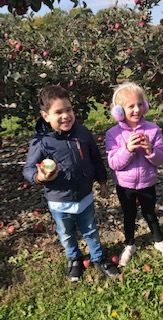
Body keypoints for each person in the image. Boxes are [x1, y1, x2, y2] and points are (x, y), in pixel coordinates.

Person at [23, 84, 119, 281]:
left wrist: (102, 182)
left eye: (68, 109)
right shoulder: (41, 142)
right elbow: (28, 169)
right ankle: (74, 258)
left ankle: (98, 257)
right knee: (66, 234)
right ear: (46, 116)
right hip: (59, 200)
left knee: (90, 229)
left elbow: (95, 159)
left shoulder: (83, 133)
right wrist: (39, 177)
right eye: (58, 112)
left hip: (84, 196)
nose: (66, 115)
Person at [105, 82, 163, 267]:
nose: (137, 109)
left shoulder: (153, 130)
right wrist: (127, 149)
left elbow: (161, 159)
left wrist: (150, 150)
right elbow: (113, 163)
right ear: (119, 111)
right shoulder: (113, 134)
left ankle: (159, 241)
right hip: (125, 185)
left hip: (147, 182)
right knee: (129, 214)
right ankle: (129, 244)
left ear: (146, 104)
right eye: (131, 106)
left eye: (140, 104)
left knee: (150, 213)